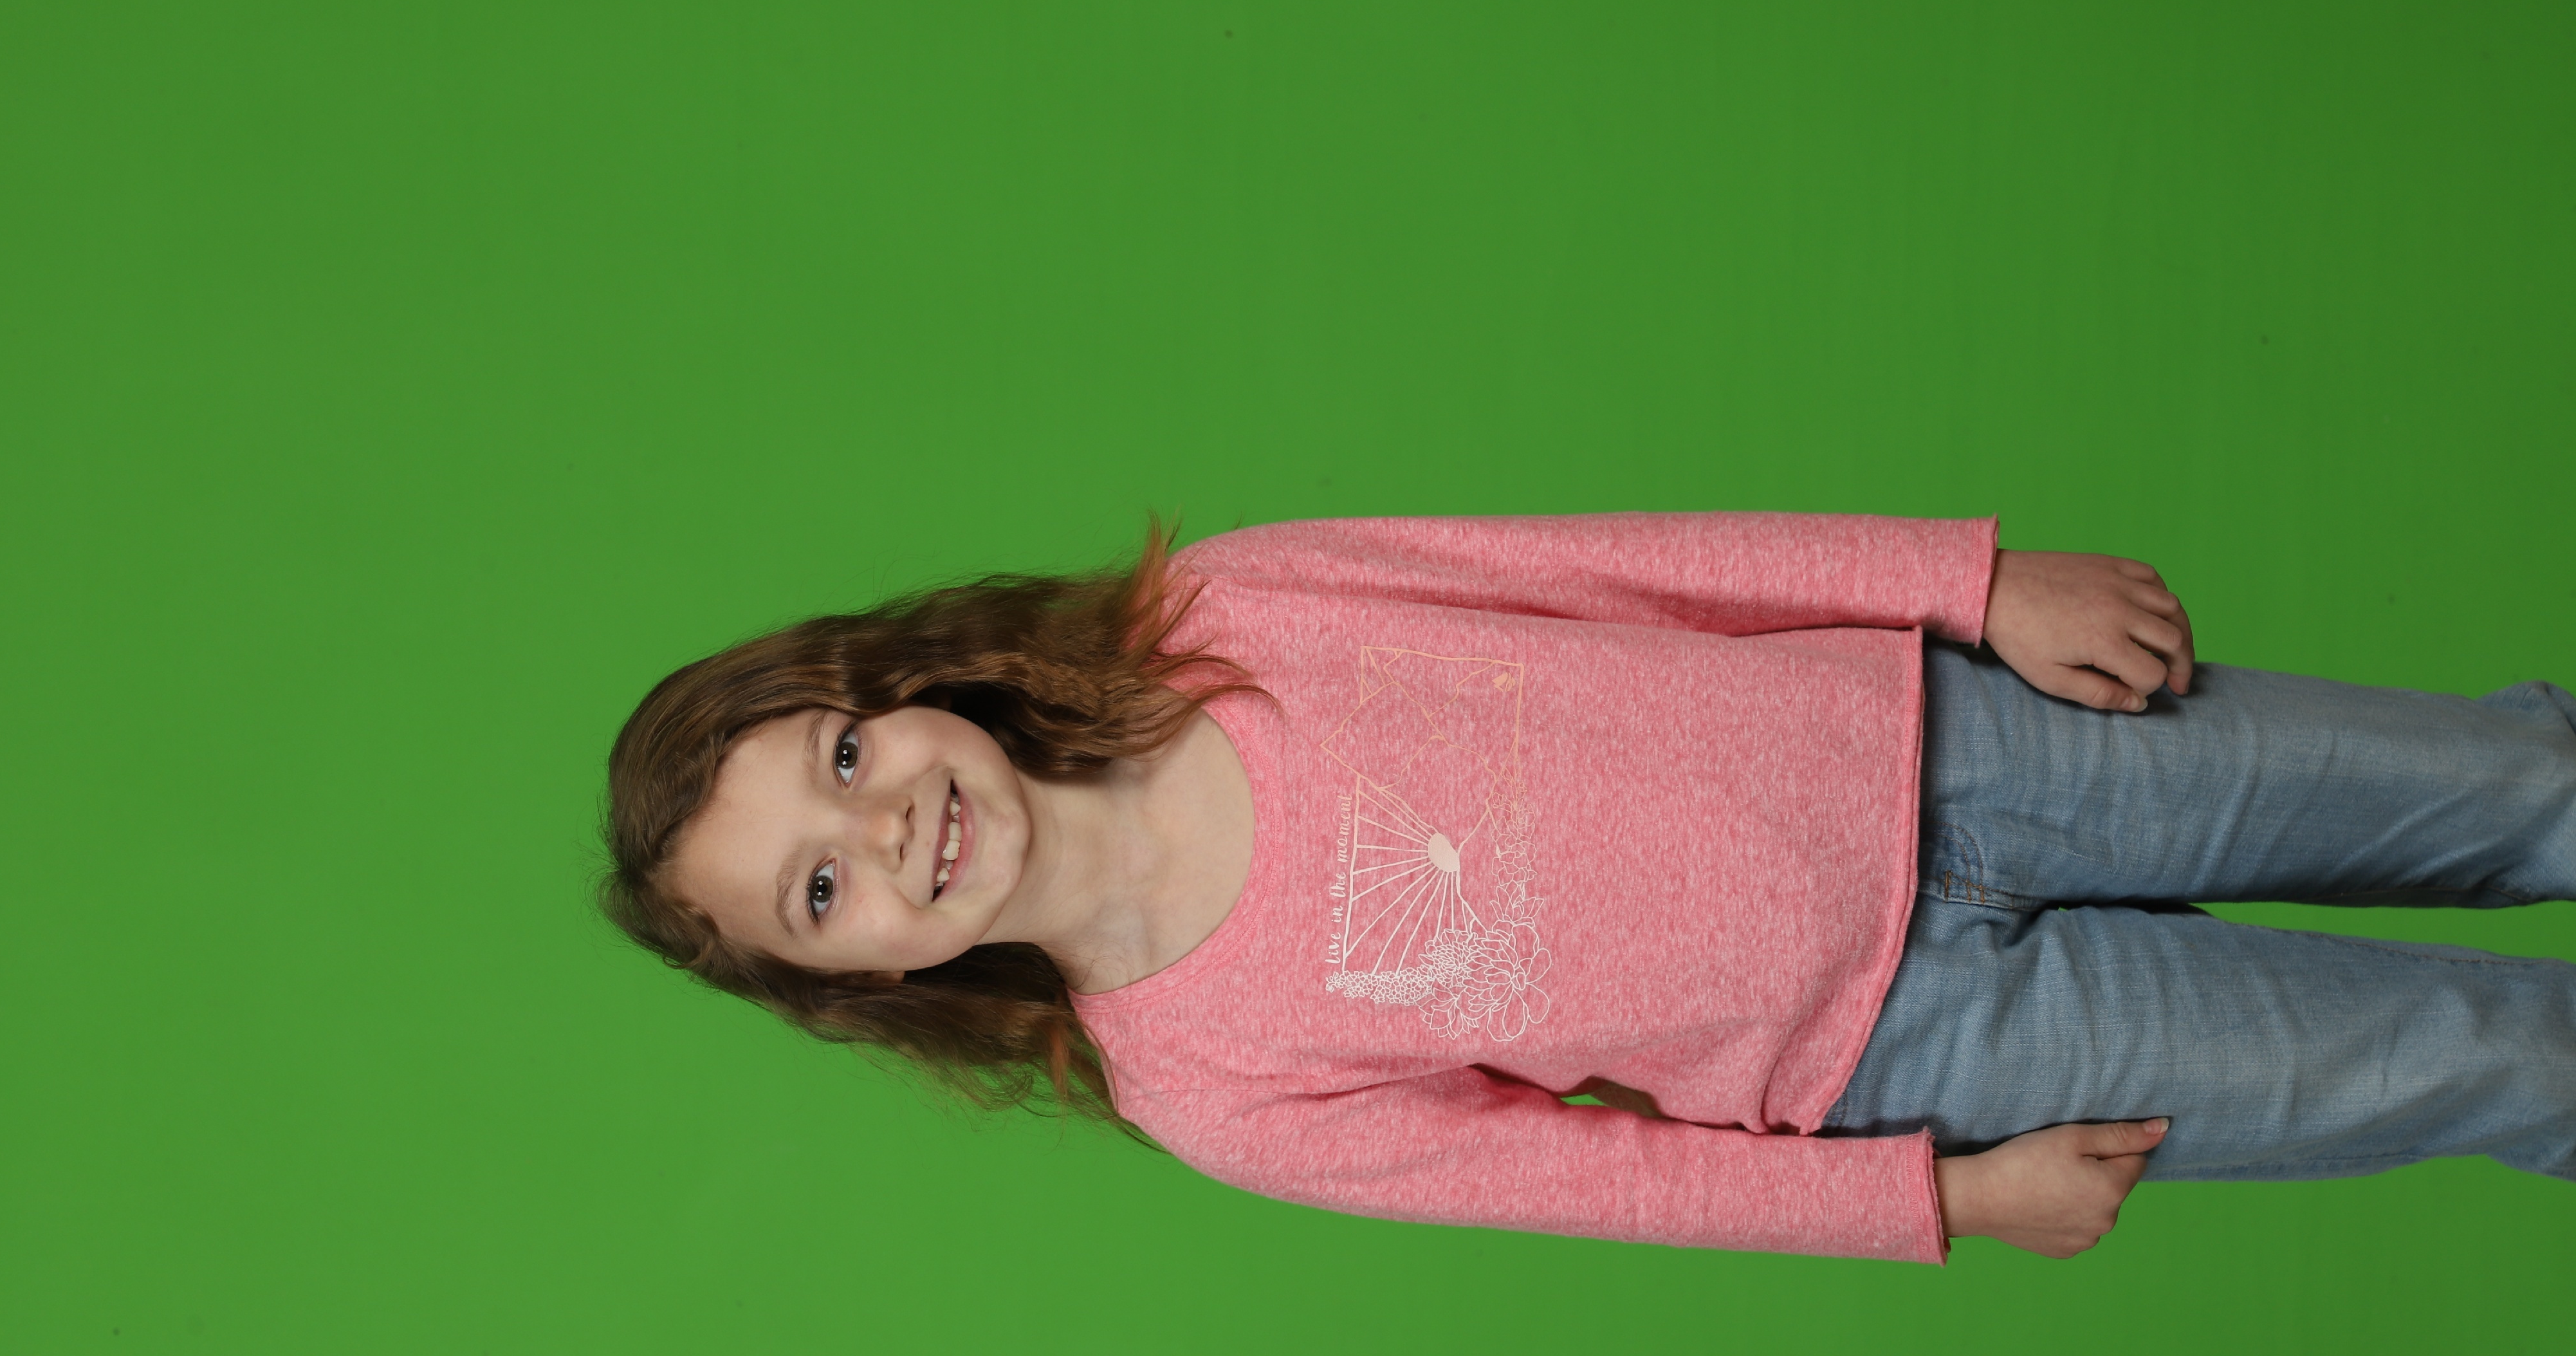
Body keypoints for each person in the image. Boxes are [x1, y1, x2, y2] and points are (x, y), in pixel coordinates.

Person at [601, 514, 2576, 1263]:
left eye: (839, 761)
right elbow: (1595, 1182)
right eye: (822, 894)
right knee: (2497, 1062)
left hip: (1965, 741)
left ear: (886, 688)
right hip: (1930, 1044)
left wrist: (1961, 582)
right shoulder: (1208, 1089)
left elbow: (1616, 564)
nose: (886, 830)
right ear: (862, 982)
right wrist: (1937, 1201)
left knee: (2520, 786)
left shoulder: (1228, 613)